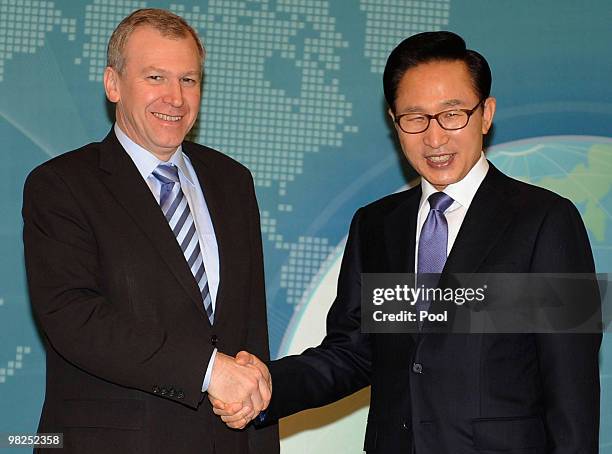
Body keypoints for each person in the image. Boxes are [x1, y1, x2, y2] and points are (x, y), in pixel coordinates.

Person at [213, 31, 601, 453]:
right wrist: (270, 384)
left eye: (453, 114)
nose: (434, 138)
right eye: (415, 119)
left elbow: (572, 388)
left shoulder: (546, 220)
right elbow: (353, 354)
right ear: (394, 122)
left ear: (485, 115)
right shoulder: (377, 225)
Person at [22, 8, 278, 454]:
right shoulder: (61, 185)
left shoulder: (233, 180)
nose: (175, 98)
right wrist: (208, 370)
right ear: (113, 84)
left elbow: (249, 330)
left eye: (189, 80)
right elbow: (72, 318)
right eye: (156, 77)